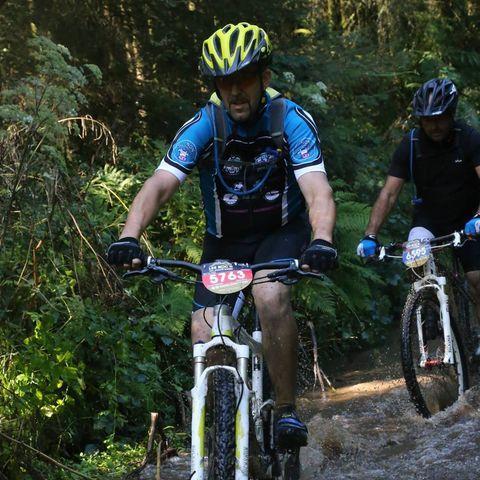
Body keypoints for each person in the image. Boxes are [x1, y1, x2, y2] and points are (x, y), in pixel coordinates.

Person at [107, 22, 337, 447]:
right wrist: (129, 236)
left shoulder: (290, 120)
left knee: (270, 296)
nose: (234, 91)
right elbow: (160, 184)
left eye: (244, 79)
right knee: (203, 330)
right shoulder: (205, 124)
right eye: (224, 82)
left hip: (281, 233)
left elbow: (317, 190)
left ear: (264, 78)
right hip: (225, 242)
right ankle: (224, 440)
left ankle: (286, 410)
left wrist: (322, 239)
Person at [357, 77, 480, 334]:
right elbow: (389, 194)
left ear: (451, 114)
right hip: (430, 218)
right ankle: (430, 305)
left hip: (469, 217)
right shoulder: (411, 145)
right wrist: (370, 235)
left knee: (476, 278)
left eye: (440, 118)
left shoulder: (469, 138)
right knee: (415, 256)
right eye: (427, 119)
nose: (434, 125)